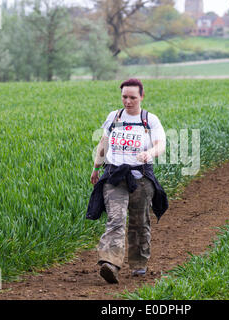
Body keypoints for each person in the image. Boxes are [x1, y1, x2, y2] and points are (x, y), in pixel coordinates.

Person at [86, 78, 168, 284]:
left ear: (141, 96)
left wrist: (150, 153)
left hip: (141, 178)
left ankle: (139, 264)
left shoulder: (150, 120)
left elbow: (161, 145)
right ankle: (110, 263)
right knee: (115, 218)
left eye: (132, 97)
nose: (128, 101)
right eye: (124, 97)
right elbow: (103, 144)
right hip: (114, 177)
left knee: (139, 222)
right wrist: (96, 167)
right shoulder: (114, 117)